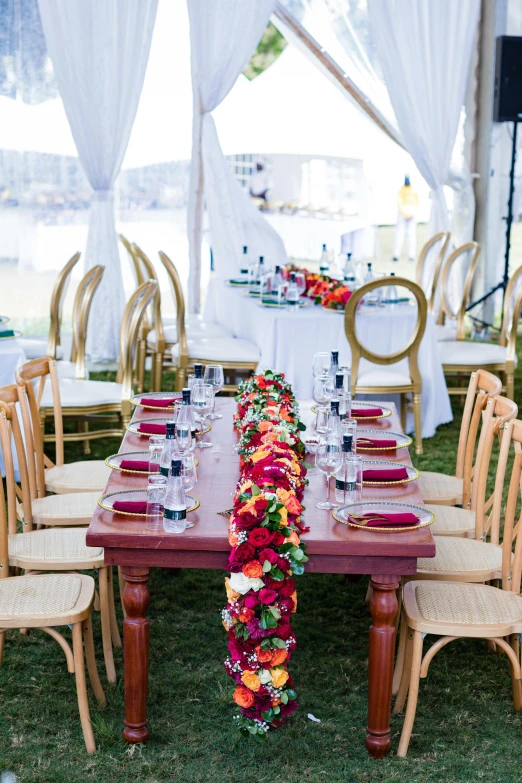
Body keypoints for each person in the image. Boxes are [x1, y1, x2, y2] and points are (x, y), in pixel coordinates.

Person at [393, 175, 419, 262]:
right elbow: (399, 202)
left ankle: (412, 255)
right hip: (402, 214)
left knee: (411, 235)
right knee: (400, 234)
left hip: (411, 214)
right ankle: (396, 254)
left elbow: (416, 203)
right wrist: (405, 213)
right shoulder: (401, 190)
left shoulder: (413, 190)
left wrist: (411, 213)